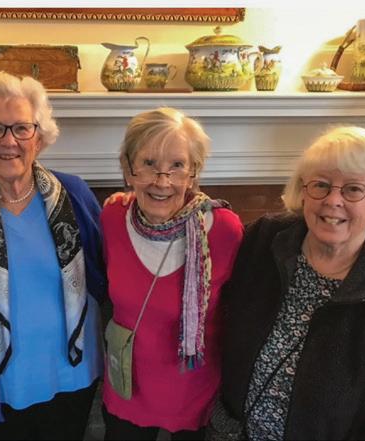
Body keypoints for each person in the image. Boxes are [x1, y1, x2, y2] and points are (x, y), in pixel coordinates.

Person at [212, 126, 365, 440]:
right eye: (321, 185)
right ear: (303, 189)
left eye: (353, 189)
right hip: (229, 432)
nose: (333, 200)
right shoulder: (264, 239)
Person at [0, 71, 106, 440]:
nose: (9, 141)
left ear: (39, 137)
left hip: (73, 371)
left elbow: (109, 266)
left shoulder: (74, 194)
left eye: (21, 128)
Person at [100, 107, 244, 440]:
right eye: (149, 164)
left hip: (194, 389)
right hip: (127, 384)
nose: (162, 181)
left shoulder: (224, 230)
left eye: (177, 166)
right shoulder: (112, 218)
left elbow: (240, 312)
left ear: (193, 173)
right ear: (129, 169)